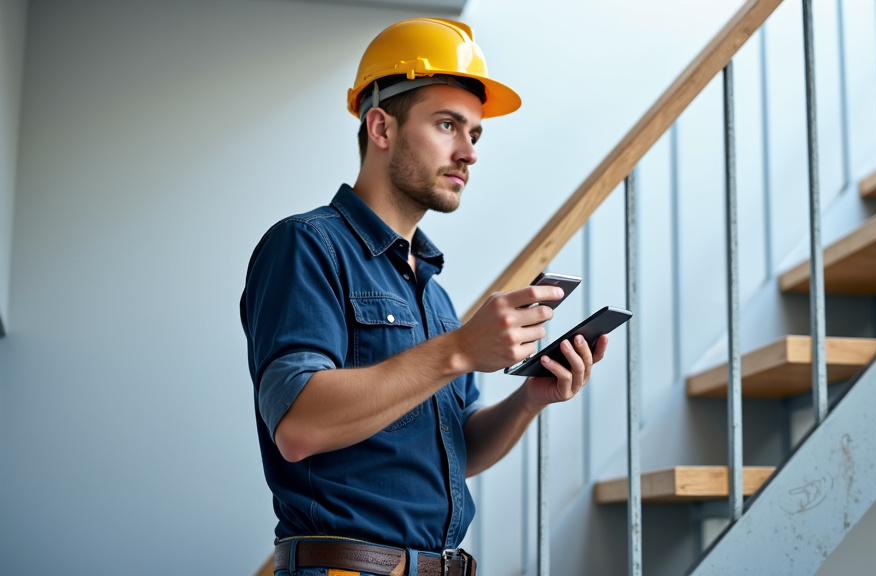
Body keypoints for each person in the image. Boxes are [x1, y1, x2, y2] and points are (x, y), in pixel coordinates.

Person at [240, 17, 610, 576]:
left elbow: (461, 447)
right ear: (381, 127)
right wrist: (459, 350)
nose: (469, 153)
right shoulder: (306, 245)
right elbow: (298, 425)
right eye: (447, 125)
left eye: (476, 134)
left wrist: (531, 399)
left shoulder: (431, 291)